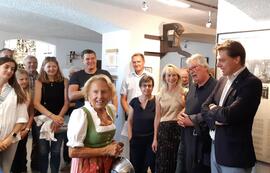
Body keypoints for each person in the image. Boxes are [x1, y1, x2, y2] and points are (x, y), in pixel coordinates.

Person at [201, 40, 262, 173]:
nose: (218, 65)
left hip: (235, 155)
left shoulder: (251, 83)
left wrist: (214, 109)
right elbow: (204, 106)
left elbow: (229, 115)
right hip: (215, 148)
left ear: (236, 59)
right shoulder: (222, 80)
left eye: (222, 60)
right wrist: (217, 116)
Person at [67, 74, 123, 173]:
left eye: (104, 92)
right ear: (88, 94)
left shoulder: (110, 110)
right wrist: (106, 150)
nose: (100, 96)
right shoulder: (81, 114)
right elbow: (73, 152)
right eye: (95, 92)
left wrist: (113, 145)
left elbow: (101, 139)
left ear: (110, 94)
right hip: (86, 166)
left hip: (107, 164)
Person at [175, 54, 217, 173]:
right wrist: (181, 114)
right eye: (190, 69)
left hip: (201, 144)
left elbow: (213, 114)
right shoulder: (193, 86)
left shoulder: (216, 87)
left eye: (194, 68)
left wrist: (192, 121)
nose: (191, 72)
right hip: (185, 139)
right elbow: (188, 106)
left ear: (205, 67)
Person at [34, 56, 69, 173]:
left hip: (59, 120)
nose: (51, 68)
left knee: (56, 151)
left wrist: (58, 118)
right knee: (43, 151)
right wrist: (52, 117)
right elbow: (36, 103)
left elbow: (66, 103)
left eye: (54, 66)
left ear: (57, 67)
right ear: (43, 67)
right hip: (42, 119)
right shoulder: (39, 82)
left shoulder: (64, 81)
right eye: (48, 66)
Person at [152, 64, 185, 173]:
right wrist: (155, 139)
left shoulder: (184, 92)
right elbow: (157, 117)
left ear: (178, 77)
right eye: (169, 75)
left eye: (174, 75)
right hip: (163, 132)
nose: (171, 78)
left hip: (179, 129)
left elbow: (188, 110)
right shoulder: (158, 95)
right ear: (164, 77)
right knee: (163, 163)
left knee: (177, 162)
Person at [0, 57, 28, 173]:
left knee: (5, 169)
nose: (10, 71)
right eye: (6, 67)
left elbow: (21, 119)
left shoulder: (17, 91)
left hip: (9, 140)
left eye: (12, 69)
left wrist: (10, 138)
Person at [128, 75, 156, 173]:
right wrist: (130, 137)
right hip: (136, 139)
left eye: (149, 85)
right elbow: (130, 121)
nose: (147, 88)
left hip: (151, 140)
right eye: (144, 86)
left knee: (150, 165)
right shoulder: (134, 102)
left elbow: (158, 121)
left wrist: (155, 139)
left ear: (153, 87)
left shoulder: (156, 101)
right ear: (140, 87)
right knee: (135, 166)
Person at [10, 69, 35, 173]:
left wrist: (27, 128)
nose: (24, 81)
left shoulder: (30, 92)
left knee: (22, 151)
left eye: (26, 79)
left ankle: (23, 169)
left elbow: (31, 113)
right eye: (21, 79)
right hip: (11, 129)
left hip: (24, 128)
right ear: (15, 80)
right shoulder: (11, 93)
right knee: (12, 154)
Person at [121, 53, 152, 119]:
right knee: (129, 129)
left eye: (138, 61)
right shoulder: (127, 78)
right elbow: (123, 98)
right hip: (130, 112)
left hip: (146, 112)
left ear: (143, 62)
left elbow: (153, 97)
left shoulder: (150, 77)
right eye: (134, 62)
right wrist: (128, 112)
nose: (136, 64)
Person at [23, 55, 40, 171]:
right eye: (29, 62)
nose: (32, 64)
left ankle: (35, 164)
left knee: (38, 140)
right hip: (24, 112)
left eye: (34, 62)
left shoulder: (42, 77)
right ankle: (21, 164)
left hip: (39, 112)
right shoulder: (20, 77)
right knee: (21, 141)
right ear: (24, 64)